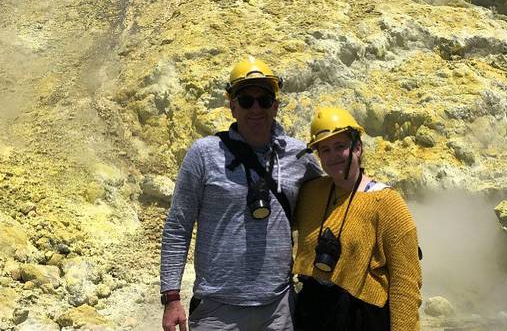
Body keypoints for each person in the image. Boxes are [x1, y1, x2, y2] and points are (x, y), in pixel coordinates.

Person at [160, 56, 322, 331]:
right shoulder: (204, 154)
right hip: (216, 310)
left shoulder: (298, 156)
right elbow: (178, 226)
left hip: (278, 310)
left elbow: (332, 201)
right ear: (232, 107)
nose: (255, 108)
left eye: (265, 100)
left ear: (276, 106)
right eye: (246, 100)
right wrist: (171, 297)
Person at [292, 107, 422, 331]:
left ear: (358, 148)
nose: (333, 156)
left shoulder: (386, 203)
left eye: (340, 146)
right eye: (325, 149)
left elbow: (406, 282)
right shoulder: (311, 193)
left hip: (362, 317)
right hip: (313, 312)